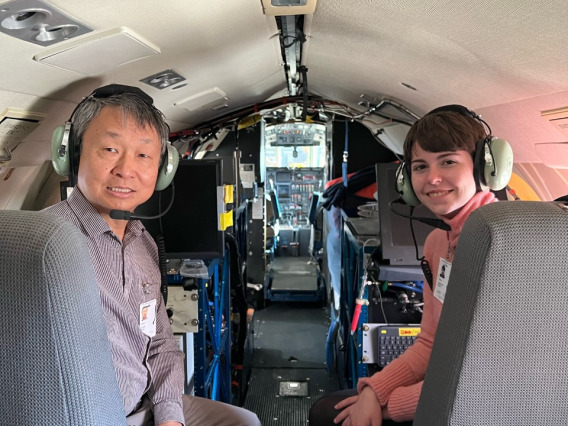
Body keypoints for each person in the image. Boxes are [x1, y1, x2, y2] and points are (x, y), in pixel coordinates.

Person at [45, 84, 260, 426]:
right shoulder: (43, 245)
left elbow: (160, 343)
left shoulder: (142, 241)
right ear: (70, 155)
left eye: (144, 155)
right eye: (110, 149)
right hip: (86, 417)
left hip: (144, 408)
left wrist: (169, 416)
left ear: (163, 169)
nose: (126, 170)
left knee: (244, 422)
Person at [309, 105, 506, 425]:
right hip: (448, 391)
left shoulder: (506, 243)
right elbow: (430, 343)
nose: (433, 178)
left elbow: (490, 375)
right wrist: (374, 391)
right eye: (420, 166)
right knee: (328, 410)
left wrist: (389, 405)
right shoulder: (437, 245)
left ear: (485, 168)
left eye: (448, 161)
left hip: (487, 405)